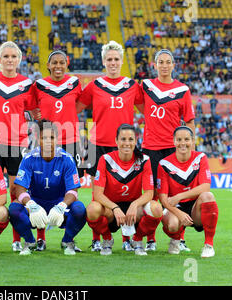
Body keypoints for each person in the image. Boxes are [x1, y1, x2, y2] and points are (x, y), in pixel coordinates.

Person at [77, 41, 143, 251]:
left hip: (124, 146)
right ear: (104, 62)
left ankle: (127, 240)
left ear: (122, 62)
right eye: (109, 59)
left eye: (116, 59)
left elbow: (145, 110)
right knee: (98, 194)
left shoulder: (132, 85)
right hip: (98, 146)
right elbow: (76, 108)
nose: (113, 63)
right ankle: (99, 239)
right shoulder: (95, 86)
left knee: (129, 193)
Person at [0, 41, 38, 252]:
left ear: (19, 60)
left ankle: (16, 239)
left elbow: (32, 110)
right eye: (6, 56)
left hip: (17, 143)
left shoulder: (27, 84)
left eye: (13, 57)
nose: (10, 60)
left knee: (16, 192)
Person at [135, 49, 196, 252]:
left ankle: (179, 238)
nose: (164, 65)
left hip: (173, 149)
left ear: (173, 65)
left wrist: (190, 150)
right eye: (160, 62)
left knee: (179, 194)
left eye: (167, 62)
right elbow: (137, 104)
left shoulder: (182, 90)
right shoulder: (146, 86)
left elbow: (189, 121)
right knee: (151, 196)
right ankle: (150, 239)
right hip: (150, 148)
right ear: (155, 65)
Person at [9, 119, 86, 255]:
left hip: (59, 203)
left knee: (79, 209)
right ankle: (30, 241)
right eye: (44, 138)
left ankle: (67, 241)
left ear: (57, 139)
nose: (48, 141)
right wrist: (31, 205)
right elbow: (19, 189)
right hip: (36, 203)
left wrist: (61, 206)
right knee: (14, 209)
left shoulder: (67, 159)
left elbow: (73, 191)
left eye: (51, 137)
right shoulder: (29, 159)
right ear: (38, 139)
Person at [32, 50, 84, 248]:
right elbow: (30, 106)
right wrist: (37, 119)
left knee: (70, 189)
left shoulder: (75, 83)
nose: (58, 65)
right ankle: (41, 239)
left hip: (71, 141)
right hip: (46, 141)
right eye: (54, 62)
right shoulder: (39, 85)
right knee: (41, 188)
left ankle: (68, 239)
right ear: (48, 65)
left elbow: (79, 105)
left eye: (62, 62)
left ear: (67, 64)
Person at [86, 124, 162, 256]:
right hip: (111, 210)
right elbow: (98, 194)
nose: (127, 143)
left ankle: (137, 240)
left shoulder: (144, 160)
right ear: (116, 141)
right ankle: (107, 239)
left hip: (134, 210)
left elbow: (149, 193)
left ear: (136, 140)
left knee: (156, 208)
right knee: (92, 209)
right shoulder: (106, 159)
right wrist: (115, 208)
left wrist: (134, 204)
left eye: (130, 139)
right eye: (123, 139)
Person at [158, 126, 218, 258]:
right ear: (174, 141)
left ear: (192, 141)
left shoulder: (201, 158)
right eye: (179, 139)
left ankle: (209, 245)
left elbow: (205, 187)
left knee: (208, 196)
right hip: (174, 207)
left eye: (186, 139)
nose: (183, 143)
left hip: (194, 208)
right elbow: (163, 198)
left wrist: (179, 196)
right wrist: (179, 213)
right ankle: (175, 240)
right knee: (173, 225)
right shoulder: (164, 164)